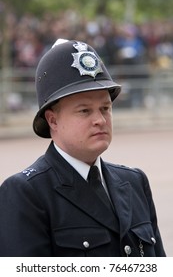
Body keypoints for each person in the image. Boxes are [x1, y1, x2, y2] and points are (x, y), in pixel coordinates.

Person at [0, 39, 166, 257]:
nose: (100, 119)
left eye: (105, 108)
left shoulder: (135, 182)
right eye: (85, 111)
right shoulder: (27, 193)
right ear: (53, 121)